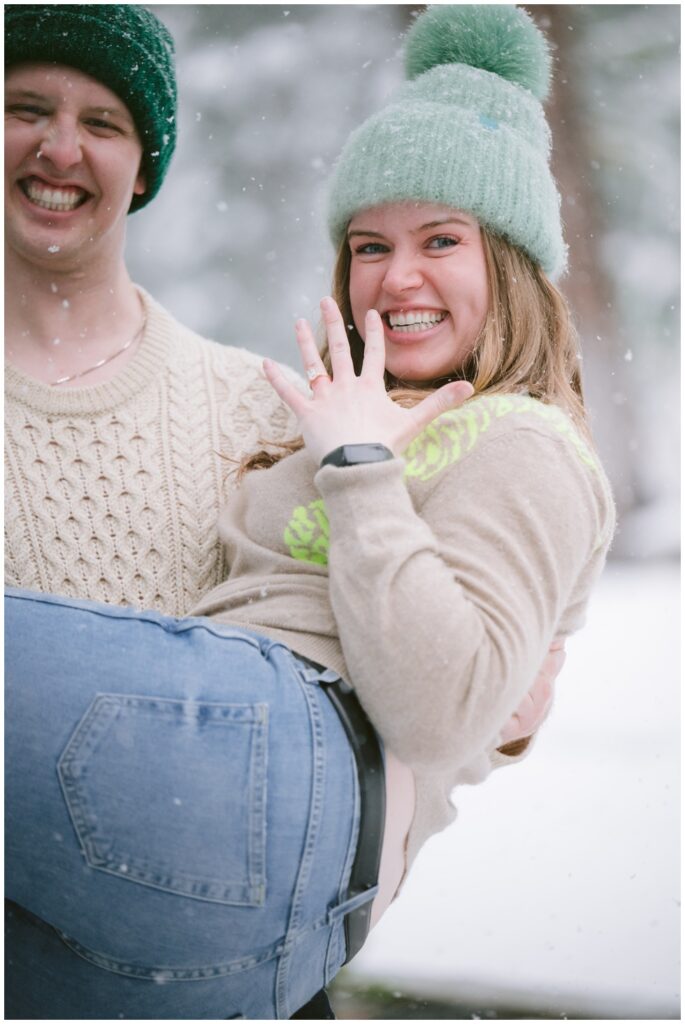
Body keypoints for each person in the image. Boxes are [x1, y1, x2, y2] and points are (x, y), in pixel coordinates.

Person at [3, 4, 601, 1020]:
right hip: (225, 891)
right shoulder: (325, 419)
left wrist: (362, 466)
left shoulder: (498, 435)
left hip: (270, 786)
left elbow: (443, 701)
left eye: (441, 239)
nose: (395, 276)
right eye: (368, 245)